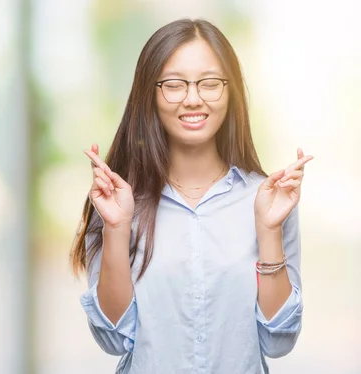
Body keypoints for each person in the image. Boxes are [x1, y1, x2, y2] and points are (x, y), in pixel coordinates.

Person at [69, 18, 313, 374]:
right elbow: (113, 340)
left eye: (210, 83)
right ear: (148, 93)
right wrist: (116, 228)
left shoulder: (268, 200)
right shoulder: (116, 202)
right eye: (174, 84)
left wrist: (269, 230)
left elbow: (278, 342)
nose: (193, 98)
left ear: (230, 92)